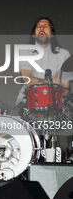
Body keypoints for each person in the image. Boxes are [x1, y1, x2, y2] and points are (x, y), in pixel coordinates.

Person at [15, 17, 73, 157]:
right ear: (34, 34)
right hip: (26, 103)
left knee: (66, 132)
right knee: (15, 132)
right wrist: (51, 82)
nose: (41, 28)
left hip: (57, 106)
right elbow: (28, 80)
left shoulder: (64, 54)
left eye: (45, 26)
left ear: (52, 33)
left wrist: (61, 90)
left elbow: (66, 89)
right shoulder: (25, 52)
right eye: (38, 26)